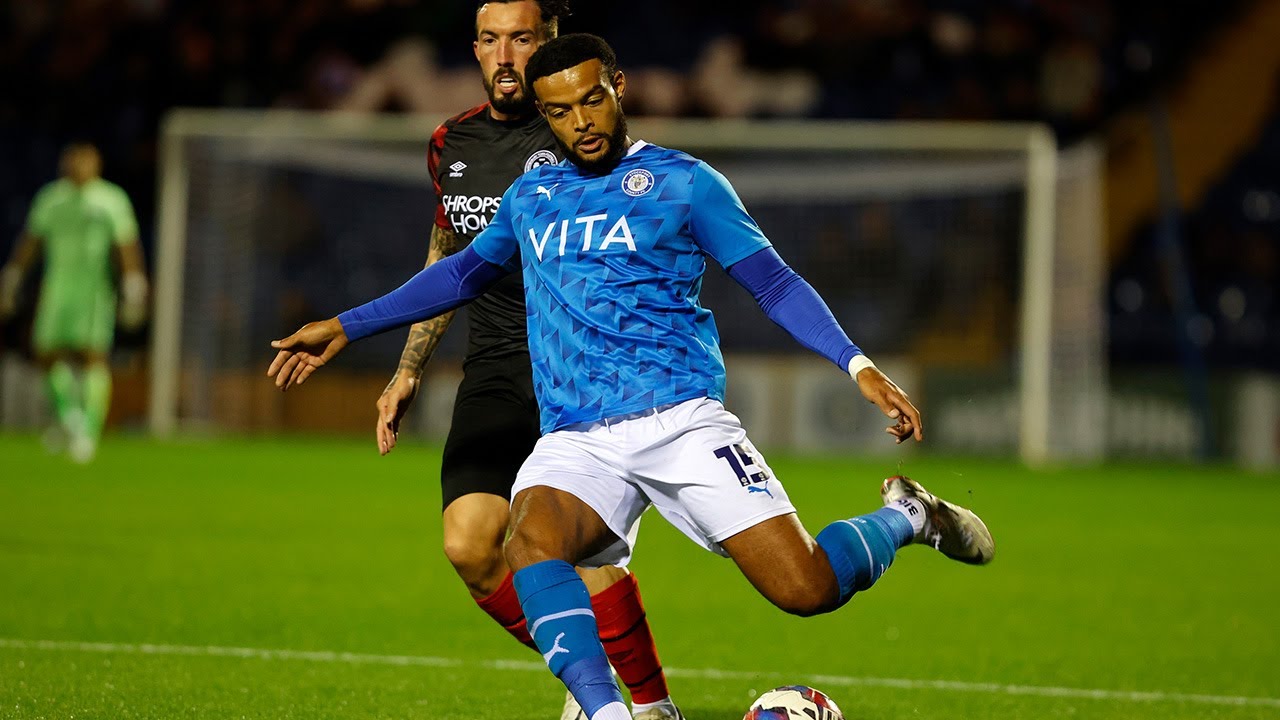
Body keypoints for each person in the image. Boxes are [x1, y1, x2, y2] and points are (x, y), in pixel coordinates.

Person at [268, 34, 994, 720]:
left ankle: (910, 516)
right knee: (528, 543)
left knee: (805, 588)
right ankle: (612, 710)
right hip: (578, 436)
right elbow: (460, 273)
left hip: (681, 421)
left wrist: (857, 364)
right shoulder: (532, 198)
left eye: (591, 100)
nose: (578, 122)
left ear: (618, 87)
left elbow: (773, 284)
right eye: (557, 111)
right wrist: (347, 325)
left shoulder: (685, 182)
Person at [372, 4, 679, 719]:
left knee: (581, 557)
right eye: (488, 39)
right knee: (469, 546)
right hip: (499, 365)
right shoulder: (452, 142)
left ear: (548, 45)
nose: (504, 55)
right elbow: (449, 251)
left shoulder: (579, 129)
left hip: (579, 369)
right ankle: (591, 678)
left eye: (520, 38)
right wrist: (410, 365)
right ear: (474, 50)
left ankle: (651, 705)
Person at [1, 143, 147, 463]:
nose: (79, 166)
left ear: (97, 164)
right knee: (46, 355)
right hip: (56, 289)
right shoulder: (51, 199)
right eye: (73, 160)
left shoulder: (110, 199)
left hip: (94, 291)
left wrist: (133, 283)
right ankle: (70, 419)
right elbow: (32, 241)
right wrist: (12, 276)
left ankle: (88, 432)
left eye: (86, 160)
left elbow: (126, 244)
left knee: (92, 356)